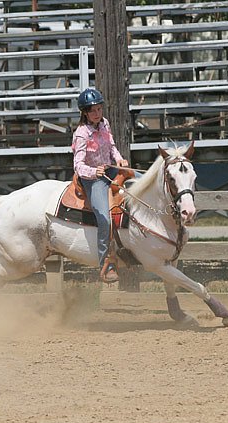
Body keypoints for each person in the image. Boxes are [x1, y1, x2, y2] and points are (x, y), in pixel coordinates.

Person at [71, 87, 129, 283]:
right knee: (104, 217)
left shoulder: (105, 124)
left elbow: (111, 147)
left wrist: (120, 160)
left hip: (110, 169)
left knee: (137, 178)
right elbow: (78, 165)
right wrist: (93, 171)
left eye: (99, 109)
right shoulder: (81, 134)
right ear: (85, 113)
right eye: (93, 110)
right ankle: (105, 262)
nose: (97, 114)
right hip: (93, 178)